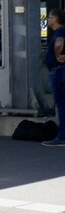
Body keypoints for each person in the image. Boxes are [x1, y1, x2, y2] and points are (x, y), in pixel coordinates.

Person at [44, 8, 65, 147]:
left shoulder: (60, 31)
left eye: (49, 17)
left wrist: (57, 55)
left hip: (58, 71)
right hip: (60, 70)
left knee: (61, 103)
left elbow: (58, 43)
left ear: (56, 18)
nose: (47, 19)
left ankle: (62, 136)